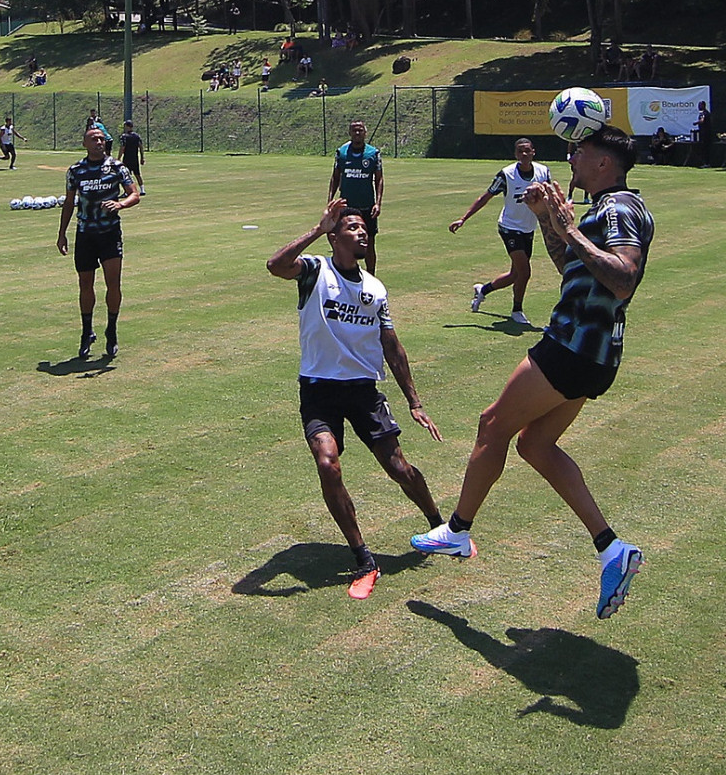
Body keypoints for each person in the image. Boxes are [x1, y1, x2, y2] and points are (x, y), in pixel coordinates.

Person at [412, 126, 652, 621]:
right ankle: (611, 548)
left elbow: (624, 277)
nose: (571, 158)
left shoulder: (619, 208)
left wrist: (571, 225)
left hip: (571, 348)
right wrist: (549, 220)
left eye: (580, 152)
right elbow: (573, 266)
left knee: (491, 424)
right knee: (534, 445)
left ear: (604, 163)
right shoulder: (604, 207)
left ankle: (457, 531)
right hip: (595, 355)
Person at [266, 199, 445, 600]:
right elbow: (276, 265)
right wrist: (316, 228)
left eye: (364, 228)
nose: (362, 232)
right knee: (328, 464)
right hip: (318, 390)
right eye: (352, 227)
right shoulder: (315, 270)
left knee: (398, 467)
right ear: (335, 237)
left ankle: (439, 525)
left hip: (363, 391)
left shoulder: (375, 288)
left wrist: (415, 402)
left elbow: (392, 347)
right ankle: (363, 557)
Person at [57, 126, 141, 358]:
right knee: (85, 284)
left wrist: (121, 204)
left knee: (113, 283)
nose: (99, 142)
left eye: (102, 139)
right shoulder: (75, 171)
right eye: (93, 139)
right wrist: (62, 233)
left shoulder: (116, 167)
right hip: (85, 234)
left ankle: (111, 330)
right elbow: (69, 203)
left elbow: (134, 194)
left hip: (109, 234)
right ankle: (87, 332)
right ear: (84, 143)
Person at [451, 137, 551, 327]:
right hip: (509, 227)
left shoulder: (543, 172)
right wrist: (463, 218)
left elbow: (550, 196)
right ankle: (517, 310)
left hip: (528, 228)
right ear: (515, 154)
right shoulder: (506, 175)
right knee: (525, 271)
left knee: (515, 274)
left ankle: (483, 290)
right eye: (520, 151)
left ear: (533, 152)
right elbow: (485, 197)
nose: (524, 154)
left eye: (527, 150)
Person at [327, 120, 384, 274]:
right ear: (349, 133)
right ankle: (343, 271)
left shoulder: (373, 154)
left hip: (366, 206)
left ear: (365, 133)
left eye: (360, 130)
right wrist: (330, 199)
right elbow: (335, 177)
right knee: (338, 238)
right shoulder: (342, 153)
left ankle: (371, 275)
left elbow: (379, 179)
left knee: (369, 242)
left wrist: (378, 203)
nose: (357, 133)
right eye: (354, 130)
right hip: (347, 207)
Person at [116, 119, 144, 189]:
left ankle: (127, 190)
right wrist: (142, 157)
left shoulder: (124, 136)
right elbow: (141, 147)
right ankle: (142, 189)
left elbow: (122, 148)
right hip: (135, 158)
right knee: (137, 174)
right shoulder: (137, 136)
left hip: (127, 158)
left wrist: (119, 158)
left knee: (126, 175)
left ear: (127, 126)